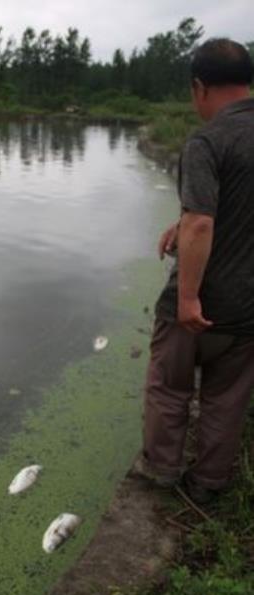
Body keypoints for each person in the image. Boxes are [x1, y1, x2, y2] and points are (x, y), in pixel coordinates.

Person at [137, 38, 254, 502]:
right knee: (227, 400)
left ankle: (163, 473)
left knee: (168, 388)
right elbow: (221, 208)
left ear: (199, 87)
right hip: (249, 310)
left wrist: (187, 297)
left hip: (202, 305)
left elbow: (204, 222)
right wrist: (181, 220)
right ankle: (208, 484)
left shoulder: (209, 140)